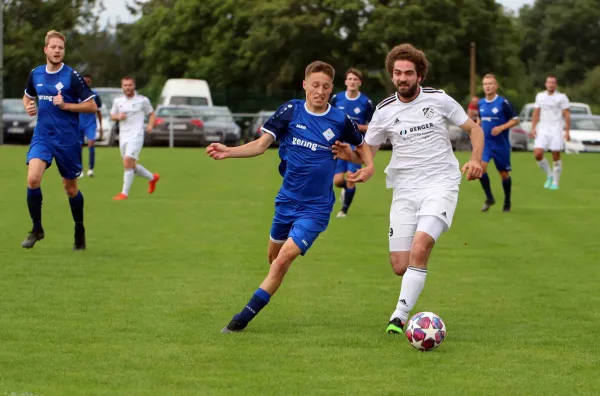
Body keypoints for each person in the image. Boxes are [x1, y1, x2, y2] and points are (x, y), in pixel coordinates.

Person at [206, 61, 375, 333]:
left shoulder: (339, 120)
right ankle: (275, 277)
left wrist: (369, 166)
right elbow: (261, 146)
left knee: (283, 260)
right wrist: (229, 151)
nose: (320, 91)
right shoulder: (290, 110)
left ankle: (240, 320)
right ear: (305, 84)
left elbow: (362, 145)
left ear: (332, 89)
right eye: (315, 85)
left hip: (317, 208)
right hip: (286, 201)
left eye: (325, 86)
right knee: (274, 259)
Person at [333, 44, 484, 334]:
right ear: (392, 75)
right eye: (398, 73)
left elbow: (474, 129)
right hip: (404, 188)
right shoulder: (384, 110)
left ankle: (399, 317)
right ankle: (409, 290)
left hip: (441, 183)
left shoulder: (438, 100)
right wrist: (351, 157)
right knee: (400, 265)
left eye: (409, 73)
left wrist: (476, 159)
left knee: (421, 246)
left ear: (419, 75)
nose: (402, 78)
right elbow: (368, 152)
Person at [21, 30, 98, 250]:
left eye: (61, 48)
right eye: (53, 47)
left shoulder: (72, 76)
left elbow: (92, 106)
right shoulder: (35, 74)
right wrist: (28, 106)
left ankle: (79, 228)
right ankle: (37, 228)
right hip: (43, 136)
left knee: (70, 189)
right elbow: (27, 96)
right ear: (45, 49)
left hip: (68, 139)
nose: (57, 51)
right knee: (33, 179)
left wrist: (66, 106)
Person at [330, 68, 375, 218]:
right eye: (350, 79)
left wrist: (356, 127)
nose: (352, 82)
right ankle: (345, 190)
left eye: (355, 79)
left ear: (360, 83)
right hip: (340, 143)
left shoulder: (366, 102)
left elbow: (374, 126)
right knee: (337, 181)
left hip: (357, 144)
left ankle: (343, 210)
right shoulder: (337, 98)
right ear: (345, 82)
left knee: (351, 177)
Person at [110, 76, 159, 200]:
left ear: (134, 86)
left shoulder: (142, 100)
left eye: (130, 85)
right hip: (123, 136)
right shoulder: (118, 101)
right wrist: (118, 116)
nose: (127, 87)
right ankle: (152, 178)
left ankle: (124, 194)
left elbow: (151, 114)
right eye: (125, 85)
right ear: (122, 87)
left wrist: (150, 125)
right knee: (131, 165)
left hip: (136, 135)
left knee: (127, 162)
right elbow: (112, 116)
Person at [477, 74, 520, 212]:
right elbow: (479, 119)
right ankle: (489, 198)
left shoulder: (503, 103)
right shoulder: (481, 103)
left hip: (501, 145)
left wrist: (501, 127)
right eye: (485, 84)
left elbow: (515, 119)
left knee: (503, 174)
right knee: (480, 169)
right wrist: (476, 130)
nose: (488, 86)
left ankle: (507, 201)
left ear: (496, 86)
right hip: (486, 144)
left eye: (490, 83)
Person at [530, 75, 570, 190]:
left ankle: (556, 182)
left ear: (555, 85)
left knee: (555, 154)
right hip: (543, 129)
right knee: (537, 154)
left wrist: (567, 131)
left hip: (556, 129)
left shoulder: (561, 97)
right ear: (545, 84)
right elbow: (536, 112)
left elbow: (567, 114)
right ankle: (549, 175)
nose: (550, 84)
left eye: (553, 82)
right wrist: (533, 128)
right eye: (549, 82)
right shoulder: (540, 96)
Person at [78, 74, 103, 177]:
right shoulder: (76, 95)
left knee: (91, 143)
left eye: (88, 82)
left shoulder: (95, 95)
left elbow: (99, 112)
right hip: (78, 123)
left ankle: (91, 168)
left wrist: (101, 127)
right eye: (84, 81)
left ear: (90, 82)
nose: (86, 83)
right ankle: (80, 170)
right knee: (78, 147)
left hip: (90, 123)